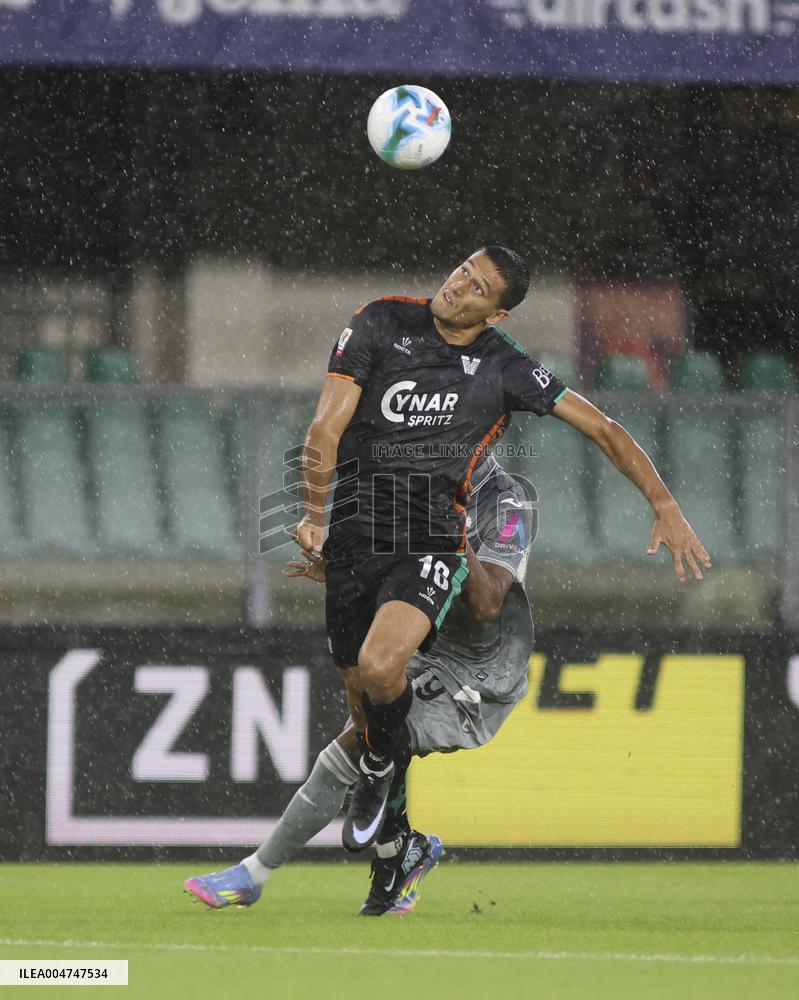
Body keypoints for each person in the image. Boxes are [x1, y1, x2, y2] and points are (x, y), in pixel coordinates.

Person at [296, 246, 711, 852]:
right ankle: (388, 797)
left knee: (383, 667)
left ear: (498, 313)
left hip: (435, 540)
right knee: (361, 691)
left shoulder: (504, 366)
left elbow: (603, 428)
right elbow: (324, 427)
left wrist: (665, 505)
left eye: (480, 286)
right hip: (358, 534)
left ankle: (379, 772)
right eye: (465, 268)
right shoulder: (379, 321)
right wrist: (314, 518)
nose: (460, 284)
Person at [185, 447, 536, 916]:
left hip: (478, 667)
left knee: (362, 745)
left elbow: (487, 603)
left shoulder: (509, 501)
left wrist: (453, 524)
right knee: (381, 744)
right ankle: (403, 852)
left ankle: (253, 875)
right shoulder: (414, 481)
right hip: (420, 642)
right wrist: (341, 568)